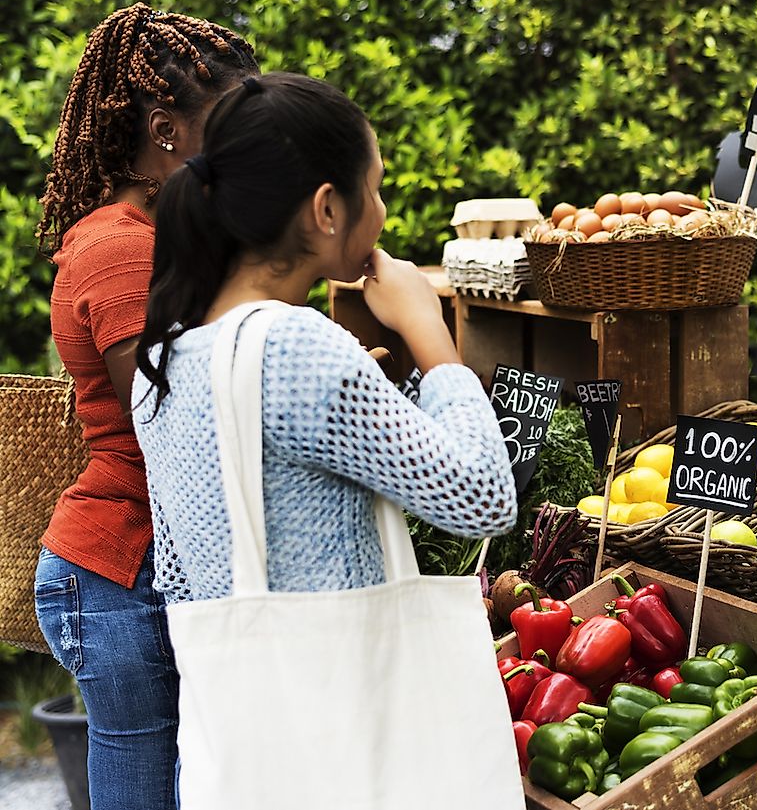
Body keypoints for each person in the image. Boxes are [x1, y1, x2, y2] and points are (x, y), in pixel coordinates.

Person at [129, 72, 521, 801]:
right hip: (354, 738)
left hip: (246, 752)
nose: (381, 209)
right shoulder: (302, 348)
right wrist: (430, 331)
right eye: (373, 188)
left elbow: (184, 574)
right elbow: (484, 497)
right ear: (326, 208)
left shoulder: (164, 363)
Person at [34, 2, 257, 810]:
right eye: (227, 128)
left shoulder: (154, 235)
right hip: (113, 571)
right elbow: (165, 412)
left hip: (133, 566)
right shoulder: (120, 246)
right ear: (166, 131)